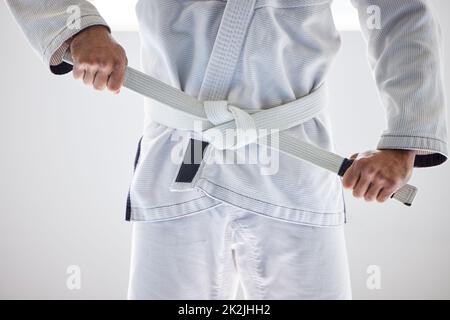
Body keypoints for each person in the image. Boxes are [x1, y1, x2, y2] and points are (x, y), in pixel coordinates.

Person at [6, 0, 447, 300]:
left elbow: (400, 10)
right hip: (182, 155)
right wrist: (79, 28)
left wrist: (405, 139)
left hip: (294, 161)